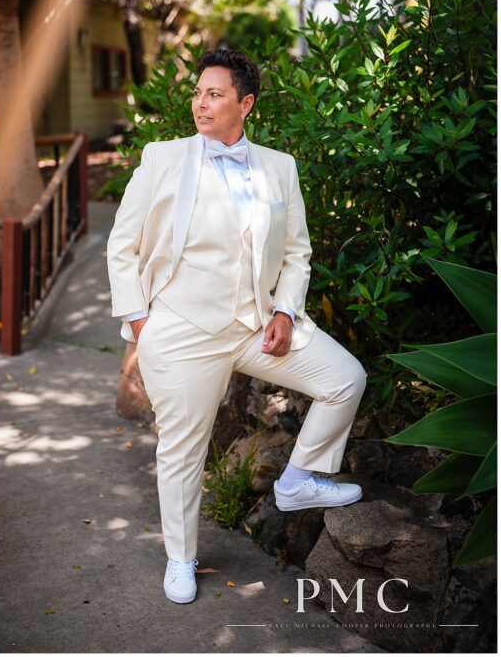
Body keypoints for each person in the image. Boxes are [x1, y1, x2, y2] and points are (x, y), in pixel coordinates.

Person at [106, 49, 365, 605]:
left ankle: (299, 479)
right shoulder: (161, 158)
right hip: (179, 328)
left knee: (346, 377)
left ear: (245, 103)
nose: (201, 102)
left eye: (215, 93)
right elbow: (121, 244)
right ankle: (180, 557)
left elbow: (297, 253)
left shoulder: (280, 167)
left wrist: (283, 311)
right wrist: (140, 320)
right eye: (198, 92)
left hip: (255, 324)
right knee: (182, 449)